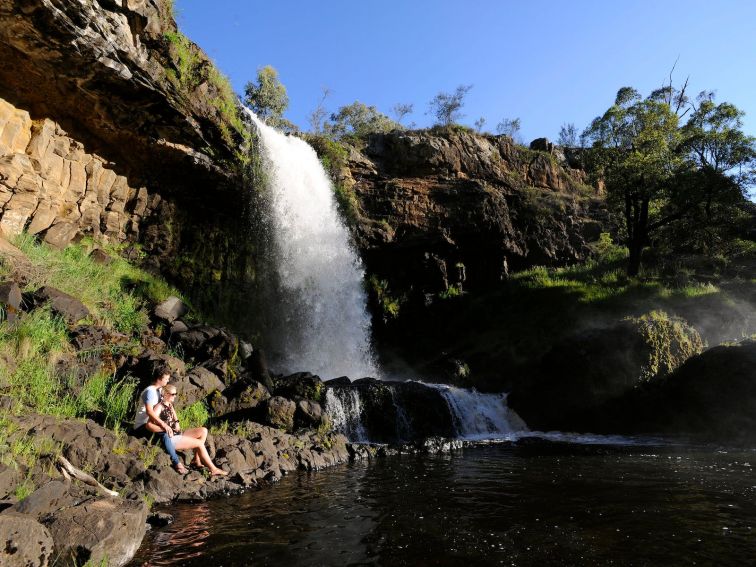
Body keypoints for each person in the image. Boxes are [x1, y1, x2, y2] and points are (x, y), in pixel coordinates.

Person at [154, 384, 228, 476]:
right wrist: (164, 427)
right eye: (173, 394)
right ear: (166, 394)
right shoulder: (159, 407)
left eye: (175, 394)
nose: (175, 396)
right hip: (171, 438)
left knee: (203, 430)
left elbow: (174, 416)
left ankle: (196, 459)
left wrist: (176, 422)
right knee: (199, 443)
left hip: (178, 433)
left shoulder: (169, 405)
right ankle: (213, 469)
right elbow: (152, 422)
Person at [133, 367, 187, 474]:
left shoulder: (158, 391)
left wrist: (174, 422)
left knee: (172, 432)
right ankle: (177, 462)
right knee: (165, 434)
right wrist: (164, 425)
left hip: (152, 423)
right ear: (159, 378)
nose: (167, 381)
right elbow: (149, 412)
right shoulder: (150, 391)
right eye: (166, 379)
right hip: (142, 426)